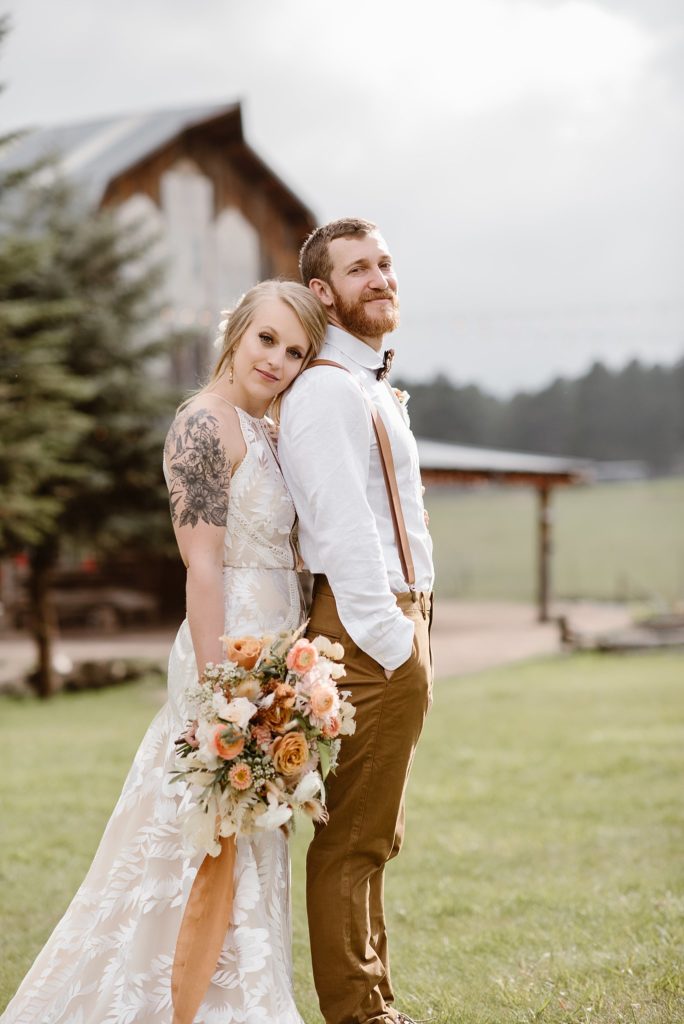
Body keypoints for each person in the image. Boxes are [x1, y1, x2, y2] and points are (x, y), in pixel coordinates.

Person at [0, 279, 327, 1024]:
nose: (277, 360)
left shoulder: (266, 430)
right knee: (203, 830)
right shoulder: (202, 427)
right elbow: (203, 565)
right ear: (236, 333)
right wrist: (222, 696)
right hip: (229, 655)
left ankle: (248, 995)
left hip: (277, 657)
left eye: (296, 352)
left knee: (256, 838)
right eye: (267, 339)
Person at [279, 219, 435, 1024]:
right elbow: (342, 532)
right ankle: (359, 1014)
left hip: (403, 618)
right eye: (357, 269)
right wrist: (393, 640)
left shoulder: (370, 384)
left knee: (381, 830)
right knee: (352, 839)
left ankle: (377, 1000)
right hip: (369, 627)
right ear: (323, 292)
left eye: (384, 263)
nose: (379, 277)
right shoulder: (325, 393)